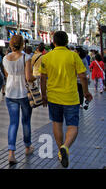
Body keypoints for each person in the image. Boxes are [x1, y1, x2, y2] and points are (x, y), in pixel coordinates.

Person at [40, 31, 92, 168]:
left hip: (53, 97)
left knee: (56, 123)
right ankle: (66, 147)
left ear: (54, 42)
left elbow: (43, 78)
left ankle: (60, 151)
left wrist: (44, 95)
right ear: (67, 41)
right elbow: (83, 76)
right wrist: (86, 92)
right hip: (71, 97)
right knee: (73, 126)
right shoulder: (73, 56)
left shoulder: (47, 57)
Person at [3, 35, 36, 165]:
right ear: (22, 44)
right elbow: (28, 77)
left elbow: (7, 75)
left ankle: (11, 152)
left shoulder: (5, 58)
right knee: (26, 122)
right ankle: (27, 147)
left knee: (13, 123)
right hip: (24, 93)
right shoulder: (26, 58)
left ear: (11, 44)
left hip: (10, 93)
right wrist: (37, 77)